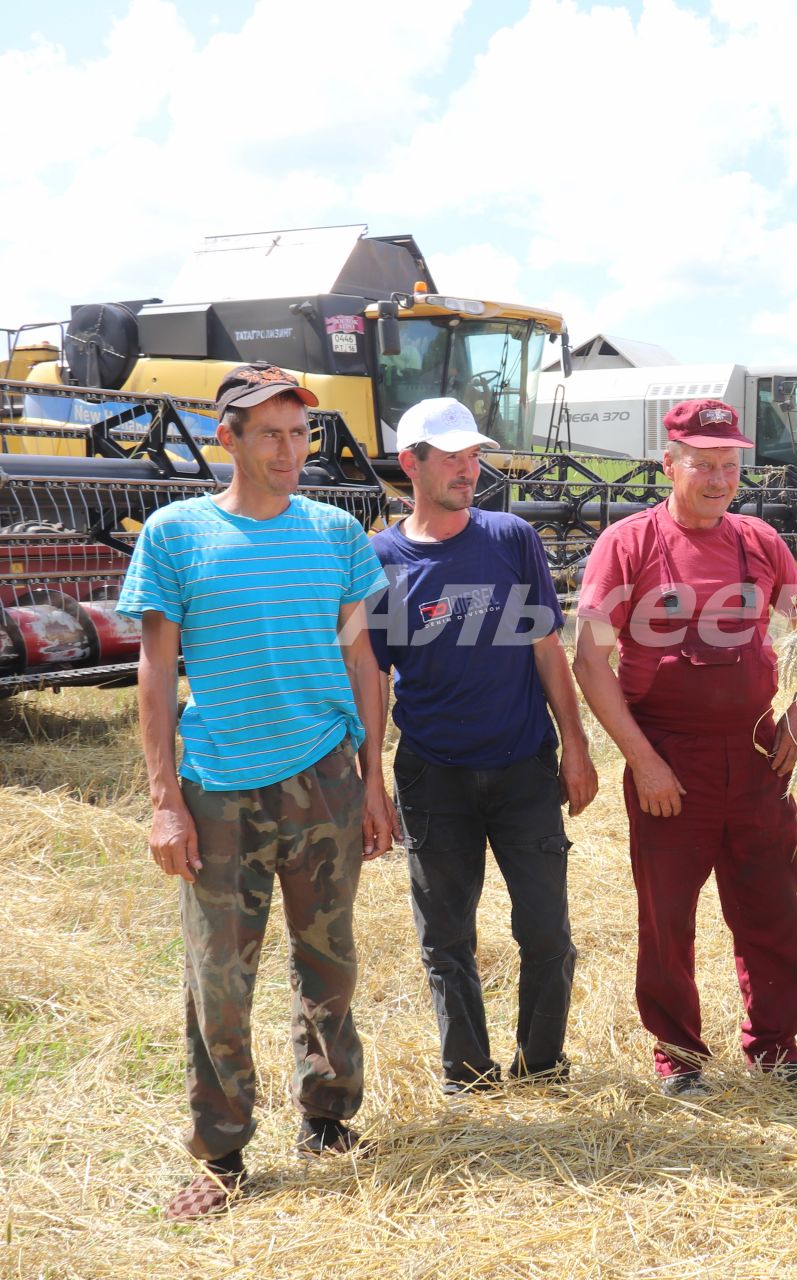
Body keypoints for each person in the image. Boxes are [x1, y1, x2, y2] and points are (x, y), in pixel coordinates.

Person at [118, 362, 394, 1221]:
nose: (289, 449)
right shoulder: (175, 533)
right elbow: (157, 674)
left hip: (325, 781)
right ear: (225, 437)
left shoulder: (337, 535)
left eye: (299, 432)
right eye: (269, 432)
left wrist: (375, 780)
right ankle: (223, 1152)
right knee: (218, 979)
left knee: (331, 963)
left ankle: (329, 1117)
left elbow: (362, 661)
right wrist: (164, 800)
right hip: (218, 791)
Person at [570, 398, 797, 1098]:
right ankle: (679, 1057)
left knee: (773, 905)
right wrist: (643, 760)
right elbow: (590, 661)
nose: (718, 479)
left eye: (729, 465)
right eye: (703, 465)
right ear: (669, 465)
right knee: (667, 917)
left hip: (754, 756)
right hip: (669, 760)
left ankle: (776, 1047)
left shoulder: (758, 540)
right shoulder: (628, 543)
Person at [369, 399, 599, 1095]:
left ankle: (541, 1064)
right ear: (411, 464)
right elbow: (373, 675)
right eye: (452, 459)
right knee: (446, 937)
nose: (471, 471)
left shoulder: (508, 538)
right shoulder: (380, 557)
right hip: (432, 773)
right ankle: (467, 1073)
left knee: (546, 932)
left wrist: (576, 745)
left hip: (522, 766)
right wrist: (371, 779)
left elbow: (546, 649)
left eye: (474, 458)